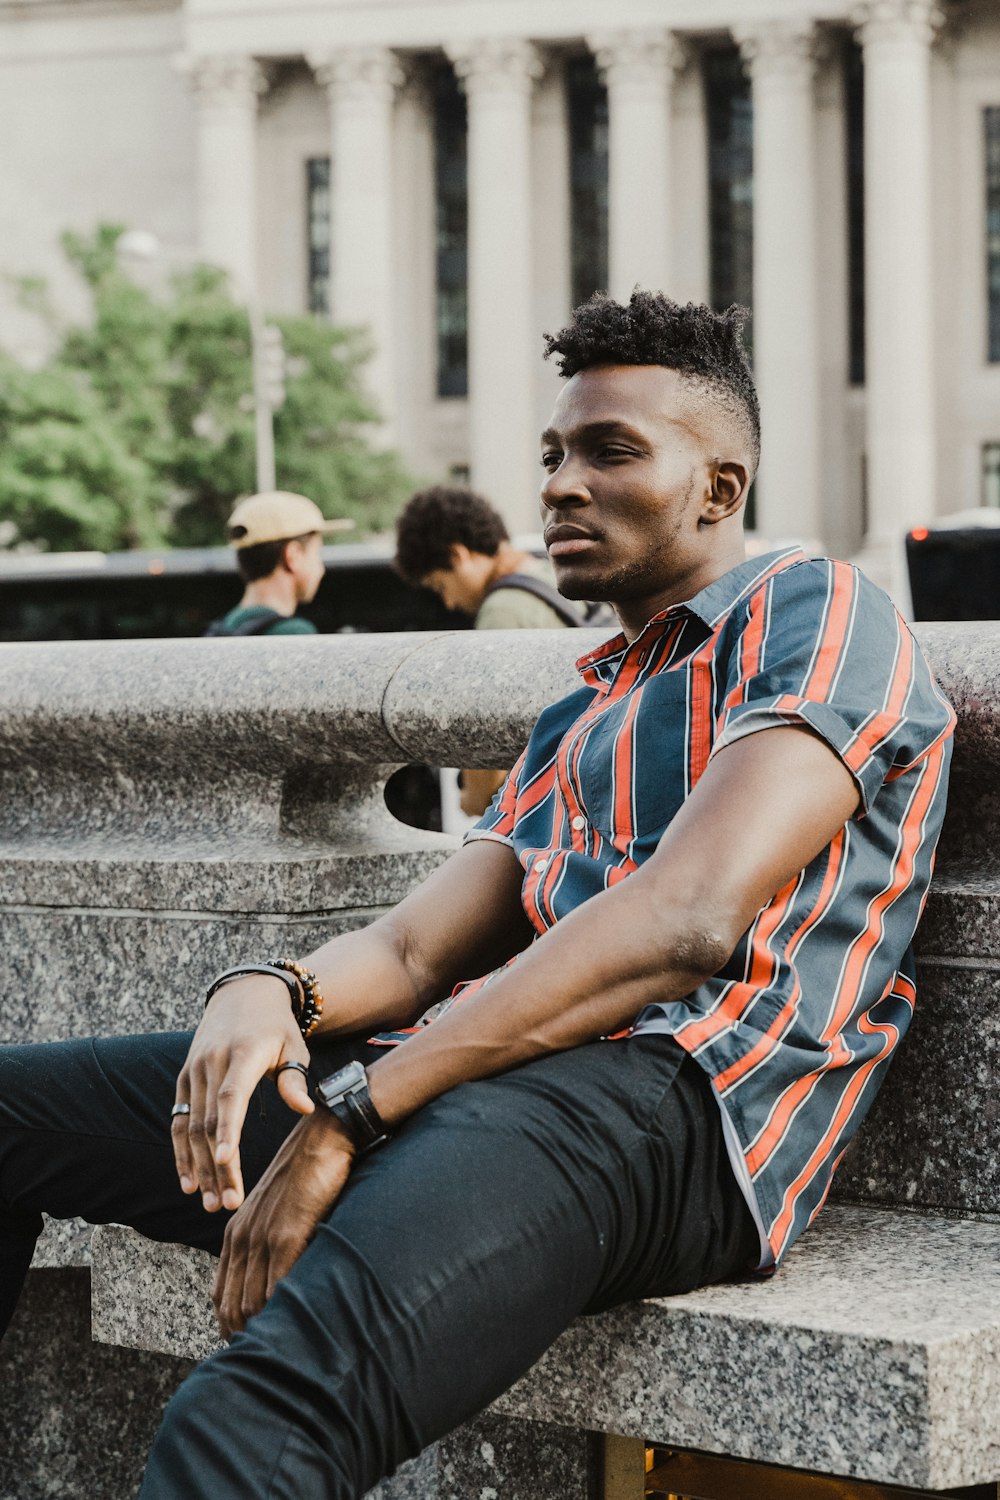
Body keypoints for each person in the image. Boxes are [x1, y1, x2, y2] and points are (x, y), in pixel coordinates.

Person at [0, 291, 955, 1500]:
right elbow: (409, 950)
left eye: (611, 451)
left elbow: (681, 921)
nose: (560, 483)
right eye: (554, 454)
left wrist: (348, 1115)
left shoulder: (814, 613)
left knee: (246, 1426)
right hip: (474, 1076)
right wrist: (271, 989)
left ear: (718, 491)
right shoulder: (583, 705)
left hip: (670, 1104)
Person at [394, 485, 576, 815]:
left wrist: (474, 799)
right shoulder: (553, 576)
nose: (448, 601)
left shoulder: (501, 611)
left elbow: (488, 730)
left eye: (440, 585)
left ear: (457, 556)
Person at [204, 490, 352, 638]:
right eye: (317, 553)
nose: (321, 569)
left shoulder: (222, 629)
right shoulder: (294, 633)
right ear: (292, 556)